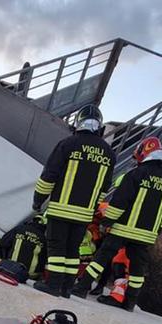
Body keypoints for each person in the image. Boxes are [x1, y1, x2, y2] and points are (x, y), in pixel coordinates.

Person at [72, 136, 162, 311]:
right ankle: (129, 303)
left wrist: (107, 221)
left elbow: (120, 202)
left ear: (144, 154)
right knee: (137, 270)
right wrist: (157, 231)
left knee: (101, 258)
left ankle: (82, 288)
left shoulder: (135, 174)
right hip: (146, 234)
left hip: (123, 228)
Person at [31, 104, 115, 297]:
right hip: (84, 214)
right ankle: (67, 288)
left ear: (78, 123)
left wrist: (38, 201)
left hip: (61, 209)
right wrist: (92, 208)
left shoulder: (68, 144)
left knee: (57, 248)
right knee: (72, 251)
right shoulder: (109, 154)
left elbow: (48, 177)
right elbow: (104, 188)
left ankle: (52, 285)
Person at [0, 213, 46, 279]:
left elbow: (3, 242)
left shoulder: (20, 229)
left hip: (11, 268)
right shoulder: (44, 239)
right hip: (31, 275)